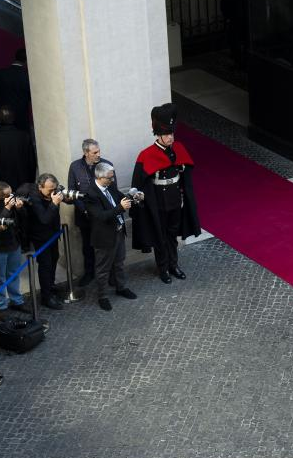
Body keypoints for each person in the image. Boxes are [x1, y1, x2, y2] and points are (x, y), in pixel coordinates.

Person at [130, 103, 201, 284]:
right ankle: (163, 268)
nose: (170, 138)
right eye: (167, 134)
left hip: (175, 202)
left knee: (172, 236)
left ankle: (173, 265)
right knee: (160, 238)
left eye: (172, 134)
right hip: (158, 204)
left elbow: (185, 177)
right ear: (158, 135)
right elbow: (138, 184)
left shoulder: (179, 149)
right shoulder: (146, 155)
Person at [85, 163, 136, 311]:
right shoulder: (91, 194)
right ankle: (103, 296)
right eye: (109, 177)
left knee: (119, 263)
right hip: (104, 237)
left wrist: (134, 197)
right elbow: (101, 216)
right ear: (100, 177)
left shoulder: (110, 186)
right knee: (103, 269)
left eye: (112, 176)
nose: (112, 180)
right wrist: (121, 208)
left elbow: (122, 198)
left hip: (118, 232)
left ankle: (121, 287)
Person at [68, 139, 116, 287]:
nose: (98, 154)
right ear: (86, 153)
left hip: (104, 215)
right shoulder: (75, 167)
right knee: (88, 246)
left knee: (108, 246)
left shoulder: (106, 164)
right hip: (85, 215)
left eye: (99, 151)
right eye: (95, 152)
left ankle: (111, 275)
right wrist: (85, 210)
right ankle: (89, 273)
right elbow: (72, 192)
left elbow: (113, 189)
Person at [0, 182, 29, 315]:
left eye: (11, 193)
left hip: (13, 241)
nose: (11, 196)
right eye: (8, 195)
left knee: (14, 273)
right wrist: (7, 207)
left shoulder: (10, 199)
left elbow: (23, 218)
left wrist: (19, 209)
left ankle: (16, 300)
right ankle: (1, 306)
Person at [26, 174, 63, 310]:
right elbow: (44, 219)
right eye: (49, 190)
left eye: (54, 189)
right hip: (41, 238)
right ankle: (46, 297)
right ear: (40, 187)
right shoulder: (34, 198)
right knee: (45, 265)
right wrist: (54, 203)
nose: (52, 192)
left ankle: (51, 286)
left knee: (54, 259)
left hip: (53, 234)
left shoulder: (52, 193)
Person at [0, 107, 36, 191]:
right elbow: (32, 161)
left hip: (4, 184)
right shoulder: (24, 136)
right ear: (13, 119)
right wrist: (31, 180)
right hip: (24, 181)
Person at [0, 48, 31, 131]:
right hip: (21, 113)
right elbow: (30, 96)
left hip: (4, 112)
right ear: (26, 61)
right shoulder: (26, 76)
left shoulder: (1, 73)